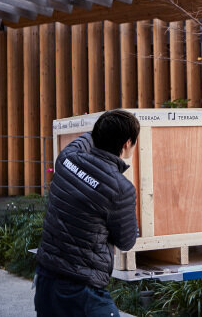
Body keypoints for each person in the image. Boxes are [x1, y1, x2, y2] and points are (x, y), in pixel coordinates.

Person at [35, 109, 140, 317]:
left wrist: (106, 127)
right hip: (82, 288)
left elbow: (86, 138)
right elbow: (127, 241)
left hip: (46, 277)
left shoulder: (67, 158)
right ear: (127, 143)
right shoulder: (121, 188)